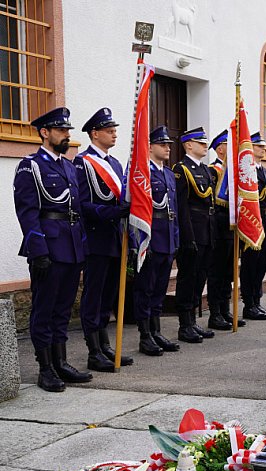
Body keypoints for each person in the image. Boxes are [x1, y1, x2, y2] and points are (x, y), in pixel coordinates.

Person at [13, 107, 93, 392]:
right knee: (44, 309)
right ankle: (45, 368)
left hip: (71, 246)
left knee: (63, 309)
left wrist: (82, 246)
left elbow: (77, 210)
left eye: (68, 130)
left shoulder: (69, 167)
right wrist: (39, 251)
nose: (66, 135)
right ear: (45, 133)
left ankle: (61, 362)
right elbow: (27, 212)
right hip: (49, 246)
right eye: (61, 130)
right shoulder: (31, 166)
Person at [74, 108, 132, 370]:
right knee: (94, 295)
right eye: (109, 131)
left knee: (109, 295)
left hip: (115, 238)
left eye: (115, 131)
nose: (114, 135)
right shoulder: (83, 163)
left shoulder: (115, 164)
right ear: (95, 134)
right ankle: (93, 351)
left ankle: (105, 345)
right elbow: (82, 204)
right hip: (96, 238)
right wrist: (112, 212)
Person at [132, 126, 182, 355]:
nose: (168, 148)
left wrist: (176, 239)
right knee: (146, 289)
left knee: (160, 288)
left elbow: (174, 210)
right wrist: (141, 242)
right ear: (150, 146)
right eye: (163, 144)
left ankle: (156, 331)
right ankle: (145, 335)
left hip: (167, 237)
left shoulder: (169, 174)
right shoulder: (143, 173)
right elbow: (138, 209)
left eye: (169, 144)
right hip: (151, 238)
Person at [173, 127, 216, 344]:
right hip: (192, 232)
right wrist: (187, 237)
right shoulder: (181, 169)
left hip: (207, 231)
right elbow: (182, 207)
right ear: (189, 145)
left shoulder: (205, 170)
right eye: (201, 142)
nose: (205, 146)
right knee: (188, 277)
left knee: (200, 277)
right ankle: (184, 324)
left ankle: (193, 320)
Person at [207, 129, 244, 330]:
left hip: (231, 228)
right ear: (220, 149)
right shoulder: (213, 171)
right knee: (217, 272)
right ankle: (215, 313)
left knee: (229, 272)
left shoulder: (233, 171)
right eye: (229, 146)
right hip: (218, 228)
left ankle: (225, 309)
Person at [240, 132, 266, 320]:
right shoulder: (247, 171)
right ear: (250, 148)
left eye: (264, 146)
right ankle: (249, 304)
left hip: (265, 223)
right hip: (252, 224)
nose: (263, 149)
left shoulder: (264, 171)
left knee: (261, 266)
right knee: (250, 266)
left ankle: (257, 301)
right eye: (259, 146)